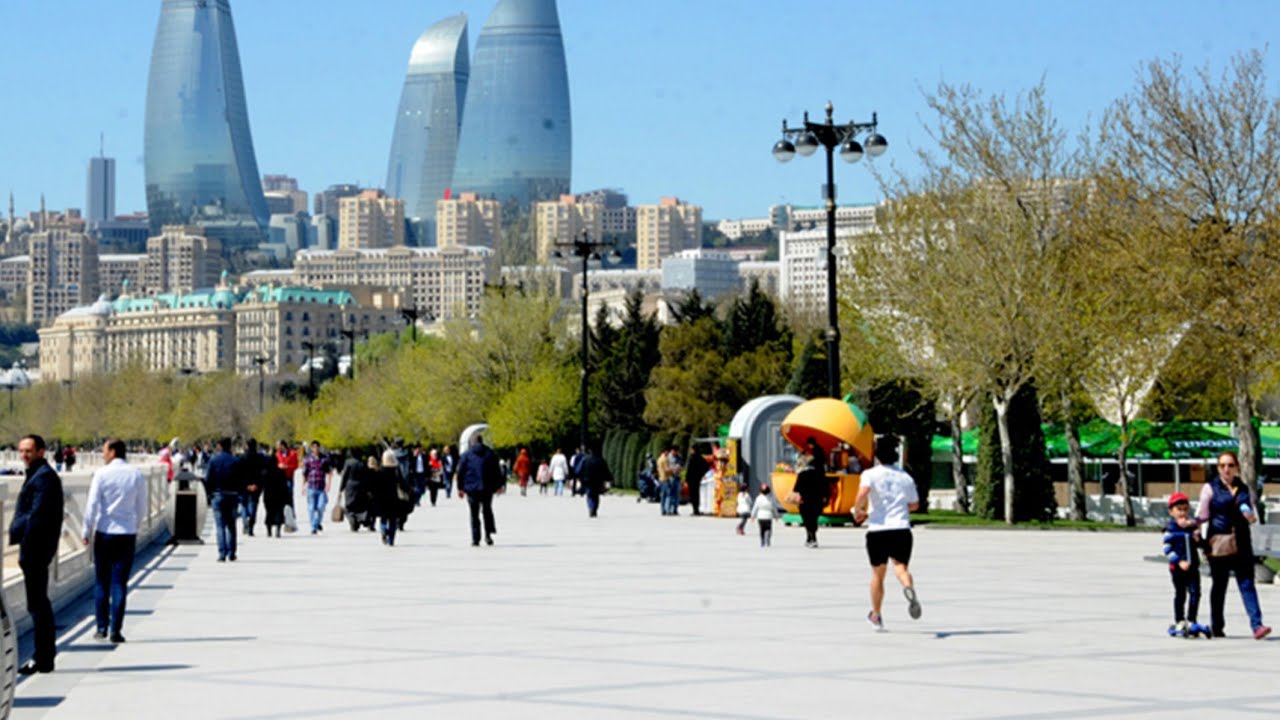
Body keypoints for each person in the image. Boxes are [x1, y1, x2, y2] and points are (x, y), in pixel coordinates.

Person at [1196, 451, 1270, 639]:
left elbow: (1250, 512)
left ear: (1237, 467)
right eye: (1222, 465)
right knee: (1219, 586)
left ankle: (1257, 625)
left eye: (1230, 465)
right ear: (1218, 468)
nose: (1226, 469)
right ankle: (1217, 625)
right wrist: (1194, 529)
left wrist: (1251, 516)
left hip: (1242, 543)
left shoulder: (1243, 488)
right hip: (1219, 543)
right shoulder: (1210, 488)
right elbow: (1202, 514)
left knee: (1247, 584)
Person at [81, 438, 147, 643]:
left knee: (102, 582)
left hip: (105, 532)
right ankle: (116, 630)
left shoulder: (102, 474)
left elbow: (92, 504)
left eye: (104, 451)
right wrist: (135, 526)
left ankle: (101, 627)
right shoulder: (136, 474)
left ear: (113, 452)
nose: (102, 455)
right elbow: (141, 505)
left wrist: (86, 530)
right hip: (126, 533)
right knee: (120, 583)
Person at [853, 435, 922, 631]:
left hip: (878, 529)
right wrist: (900, 508)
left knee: (878, 575)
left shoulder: (870, 474)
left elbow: (863, 493)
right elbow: (915, 504)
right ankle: (908, 587)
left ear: (877, 455)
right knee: (901, 568)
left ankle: (876, 615)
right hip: (901, 528)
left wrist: (858, 511)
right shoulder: (905, 477)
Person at [10, 435, 64, 674]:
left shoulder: (43, 478)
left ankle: (43, 658)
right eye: (21, 451)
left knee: (38, 605)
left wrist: (27, 547)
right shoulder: (40, 475)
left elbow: (38, 516)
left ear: (41, 451)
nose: (24, 455)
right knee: (38, 604)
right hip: (37, 549)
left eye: (29, 451)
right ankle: (44, 656)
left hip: (36, 550)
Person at [1163, 492, 1207, 637]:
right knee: (1180, 594)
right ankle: (1179, 620)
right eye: (1178, 509)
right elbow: (1167, 549)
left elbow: (1201, 545)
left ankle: (1192, 619)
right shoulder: (1171, 529)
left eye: (1185, 509)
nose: (1182, 513)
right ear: (1171, 512)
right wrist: (1179, 561)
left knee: (1195, 593)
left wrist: (1197, 538)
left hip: (1193, 567)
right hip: (1178, 568)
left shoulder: (1191, 527)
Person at [457, 434, 503, 546]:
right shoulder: (490, 454)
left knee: (474, 514)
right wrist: (499, 486)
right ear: (482, 441)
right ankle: (488, 535)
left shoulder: (466, 455)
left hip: (472, 489)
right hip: (487, 488)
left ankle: (475, 538)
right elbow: (497, 471)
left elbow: (461, 472)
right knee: (487, 510)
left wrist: (460, 488)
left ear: (472, 442)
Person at [203, 438, 242, 562]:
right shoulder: (236, 461)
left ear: (219, 446)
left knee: (220, 526)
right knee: (231, 525)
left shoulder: (214, 460)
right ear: (230, 446)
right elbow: (240, 480)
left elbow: (208, 480)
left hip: (218, 495)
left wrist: (209, 495)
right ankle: (232, 553)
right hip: (232, 496)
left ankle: (222, 553)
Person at [791, 453, 829, 548]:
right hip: (817, 501)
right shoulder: (820, 475)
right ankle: (811, 537)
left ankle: (811, 537)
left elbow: (796, 488)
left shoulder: (802, 475)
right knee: (814, 519)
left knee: (807, 520)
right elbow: (826, 488)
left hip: (805, 501)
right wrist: (826, 498)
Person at [236, 439, 268, 537]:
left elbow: (239, 473)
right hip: (256, 485)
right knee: (253, 503)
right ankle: (251, 527)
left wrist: (245, 485)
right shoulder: (261, 458)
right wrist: (257, 484)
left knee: (244, 504)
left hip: (244, 485)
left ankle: (245, 519)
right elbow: (264, 472)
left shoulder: (241, 458)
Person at [376, 452, 407, 546]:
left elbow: (375, 486)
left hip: (382, 498)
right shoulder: (396, 471)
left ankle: (384, 531)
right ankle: (391, 539)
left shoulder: (380, 471)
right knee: (393, 519)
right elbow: (402, 484)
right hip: (393, 497)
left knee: (383, 518)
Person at [302, 441, 332, 534]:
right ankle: (313, 527)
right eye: (313, 447)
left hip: (321, 487)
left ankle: (317, 522)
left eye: (317, 447)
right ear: (311, 448)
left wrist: (328, 485)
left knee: (321, 507)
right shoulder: (308, 459)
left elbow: (329, 472)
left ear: (319, 448)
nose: (315, 449)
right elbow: (305, 473)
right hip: (311, 487)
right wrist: (303, 486)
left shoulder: (324, 459)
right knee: (311, 508)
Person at [579, 445, 612, 518]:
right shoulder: (600, 460)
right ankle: (594, 509)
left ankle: (591, 507)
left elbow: (581, 470)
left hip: (588, 480)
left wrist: (581, 479)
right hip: (598, 480)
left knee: (589, 495)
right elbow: (605, 470)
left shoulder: (585, 459)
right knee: (596, 495)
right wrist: (609, 478)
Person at [260, 459, 290, 538]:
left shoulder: (265, 473)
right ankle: (278, 529)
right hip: (279, 496)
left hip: (268, 496)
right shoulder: (281, 472)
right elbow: (285, 485)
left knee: (269, 513)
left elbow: (262, 484)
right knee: (279, 513)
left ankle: (269, 530)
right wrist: (287, 497)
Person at [684, 446, 708, 516]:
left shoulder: (692, 458)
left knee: (692, 495)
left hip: (691, 479)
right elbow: (706, 467)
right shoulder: (701, 458)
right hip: (698, 479)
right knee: (697, 494)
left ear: (693, 450)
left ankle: (695, 510)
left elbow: (689, 469)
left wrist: (686, 479)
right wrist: (701, 474)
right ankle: (697, 509)